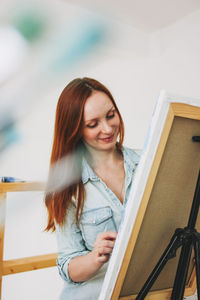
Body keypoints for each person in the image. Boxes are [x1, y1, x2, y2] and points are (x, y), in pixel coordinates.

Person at [45, 77, 140, 300]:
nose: (107, 128)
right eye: (92, 124)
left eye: (110, 115)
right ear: (75, 129)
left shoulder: (150, 161)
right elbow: (68, 266)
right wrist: (95, 257)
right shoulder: (65, 187)